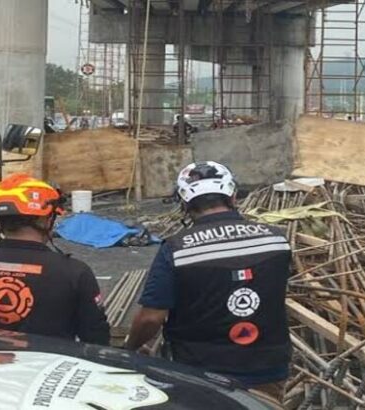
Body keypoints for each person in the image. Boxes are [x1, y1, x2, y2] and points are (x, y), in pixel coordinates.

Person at [125, 161, 292, 400]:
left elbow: (152, 317)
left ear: (184, 203)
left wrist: (130, 348)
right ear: (233, 196)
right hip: (268, 366)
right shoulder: (277, 240)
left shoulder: (177, 248)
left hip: (202, 372)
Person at [0, 173, 110, 345]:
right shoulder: (75, 273)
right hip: (49, 372)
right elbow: (96, 338)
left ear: (0, 221)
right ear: (47, 220)